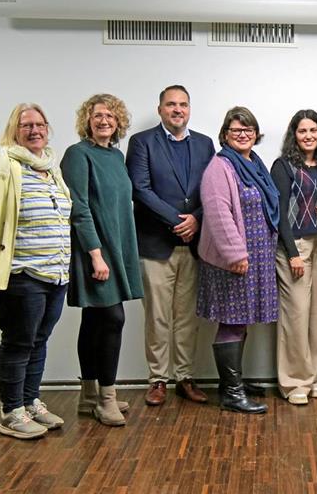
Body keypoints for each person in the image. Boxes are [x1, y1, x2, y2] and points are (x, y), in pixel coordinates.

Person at [0, 104, 71, 439]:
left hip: (55, 273)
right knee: (18, 341)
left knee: (38, 341)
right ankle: (11, 411)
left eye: (40, 124)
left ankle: (29, 402)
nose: (34, 130)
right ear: (14, 129)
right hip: (20, 274)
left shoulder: (50, 168)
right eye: (26, 124)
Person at [126, 85, 215, 407]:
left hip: (193, 246)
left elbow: (213, 190)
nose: (177, 110)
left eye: (183, 104)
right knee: (158, 317)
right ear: (161, 108)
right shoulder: (142, 142)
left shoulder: (205, 144)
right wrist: (179, 220)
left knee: (187, 317)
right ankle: (158, 379)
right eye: (171, 104)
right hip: (156, 245)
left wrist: (196, 219)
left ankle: (185, 377)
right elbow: (140, 189)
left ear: (189, 109)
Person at [61, 94, 143, 427]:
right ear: (87, 120)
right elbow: (78, 208)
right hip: (95, 251)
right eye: (97, 115)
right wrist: (96, 255)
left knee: (95, 321)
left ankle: (89, 396)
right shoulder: (78, 155)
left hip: (117, 248)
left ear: (118, 121)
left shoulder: (115, 156)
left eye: (110, 115)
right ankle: (106, 399)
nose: (104, 120)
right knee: (112, 319)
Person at [197, 106, 279, 414]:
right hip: (233, 260)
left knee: (241, 320)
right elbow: (218, 213)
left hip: (256, 257)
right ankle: (232, 393)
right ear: (225, 135)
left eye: (248, 130)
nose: (243, 135)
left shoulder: (254, 164)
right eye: (236, 130)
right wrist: (235, 254)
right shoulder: (221, 166)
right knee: (232, 320)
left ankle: (232, 383)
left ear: (256, 134)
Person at [271, 110, 317, 405]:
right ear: (294, 135)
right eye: (302, 131)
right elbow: (279, 213)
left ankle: (315, 378)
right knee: (296, 314)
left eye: (313, 130)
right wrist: (292, 253)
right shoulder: (283, 166)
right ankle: (294, 381)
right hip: (294, 246)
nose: (308, 135)